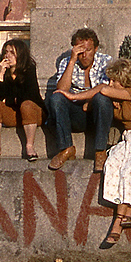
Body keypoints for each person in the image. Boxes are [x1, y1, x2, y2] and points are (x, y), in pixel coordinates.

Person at [57, 58, 131, 247]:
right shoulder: (118, 99)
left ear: (125, 80)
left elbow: (102, 90)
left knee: (130, 170)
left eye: (115, 81)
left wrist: (73, 96)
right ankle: (129, 212)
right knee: (113, 163)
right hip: (130, 138)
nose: (110, 83)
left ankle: (119, 220)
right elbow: (86, 107)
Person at [46, 27, 114, 172]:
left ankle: (100, 150)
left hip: (97, 113)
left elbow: (105, 88)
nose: (84, 55)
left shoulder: (105, 61)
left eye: (88, 50)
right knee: (57, 98)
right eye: (80, 51)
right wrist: (72, 60)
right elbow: (62, 90)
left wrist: (85, 100)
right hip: (75, 114)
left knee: (102, 99)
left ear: (95, 49)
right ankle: (66, 148)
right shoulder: (67, 62)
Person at [0, 39, 45, 161]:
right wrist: (0, 75)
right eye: (6, 52)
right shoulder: (3, 73)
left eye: (12, 52)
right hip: (15, 113)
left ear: (20, 54)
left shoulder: (29, 70)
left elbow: (29, 96)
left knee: (26, 105)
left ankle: (30, 147)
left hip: (33, 112)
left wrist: (10, 99)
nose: (8, 55)